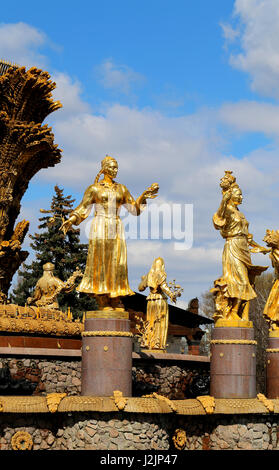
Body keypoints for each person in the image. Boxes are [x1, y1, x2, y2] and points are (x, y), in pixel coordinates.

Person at [60, 156, 159, 309]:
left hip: (116, 225)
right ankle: (102, 298)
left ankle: (115, 296)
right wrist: (71, 219)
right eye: (112, 167)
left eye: (116, 168)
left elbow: (134, 209)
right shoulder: (94, 188)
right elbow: (83, 207)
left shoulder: (122, 188)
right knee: (101, 260)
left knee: (117, 261)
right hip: (100, 224)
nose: (115, 171)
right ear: (104, 168)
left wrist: (144, 196)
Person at [212, 172, 268, 321]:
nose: (242, 197)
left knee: (247, 281)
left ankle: (241, 314)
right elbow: (219, 219)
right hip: (233, 247)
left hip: (244, 249)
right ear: (231, 196)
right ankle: (233, 312)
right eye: (239, 195)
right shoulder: (228, 211)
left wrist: (261, 248)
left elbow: (247, 235)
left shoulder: (240, 213)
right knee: (238, 281)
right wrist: (223, 202)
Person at [138, 257, 178, 352]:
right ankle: (158, 344)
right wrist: (172, 294)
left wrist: (145, 280)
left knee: (151, 321)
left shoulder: (149, 275)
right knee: (159, 321)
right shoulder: (160, 274)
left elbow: (140, 288)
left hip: (151, 301)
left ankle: (149, 342)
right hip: (160, 300)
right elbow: (163, 286)